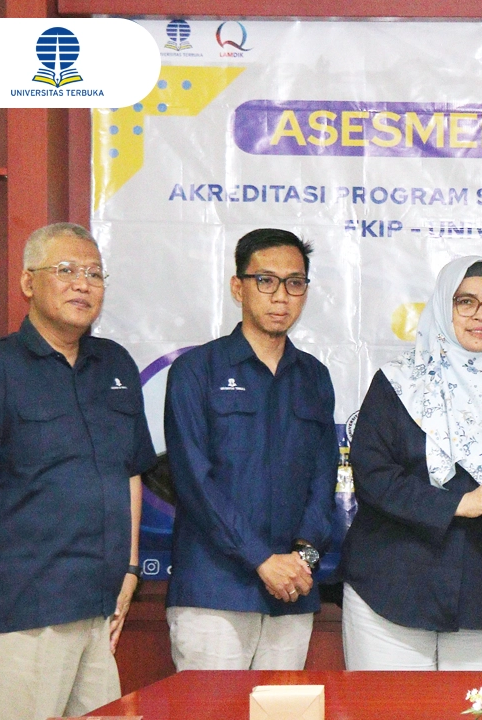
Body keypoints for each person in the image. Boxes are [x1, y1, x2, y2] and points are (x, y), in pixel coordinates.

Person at [0, 222, 155, 720]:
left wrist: (130, 567)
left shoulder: (116, 365)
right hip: (21, 611)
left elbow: (130, 472)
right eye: (65, 270)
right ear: (28, 283)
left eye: (94, 273)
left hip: (98, 608)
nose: (82, 284)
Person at [340, 256, 482, 670]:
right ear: (443, 306)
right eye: (466, 302)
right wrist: (456, 503)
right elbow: (373, 475)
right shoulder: (399, 382)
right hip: (392, 590)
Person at [164, 228, 337, 671]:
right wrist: (261, 559)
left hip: (292, 594)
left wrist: (303, 561)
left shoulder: (314, 378)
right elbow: (193, 482)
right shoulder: (195, 371)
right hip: (214, 593)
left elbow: (323, 484)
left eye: (294, 283)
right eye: (266, 280)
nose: (281, 296)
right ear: (237, 287)